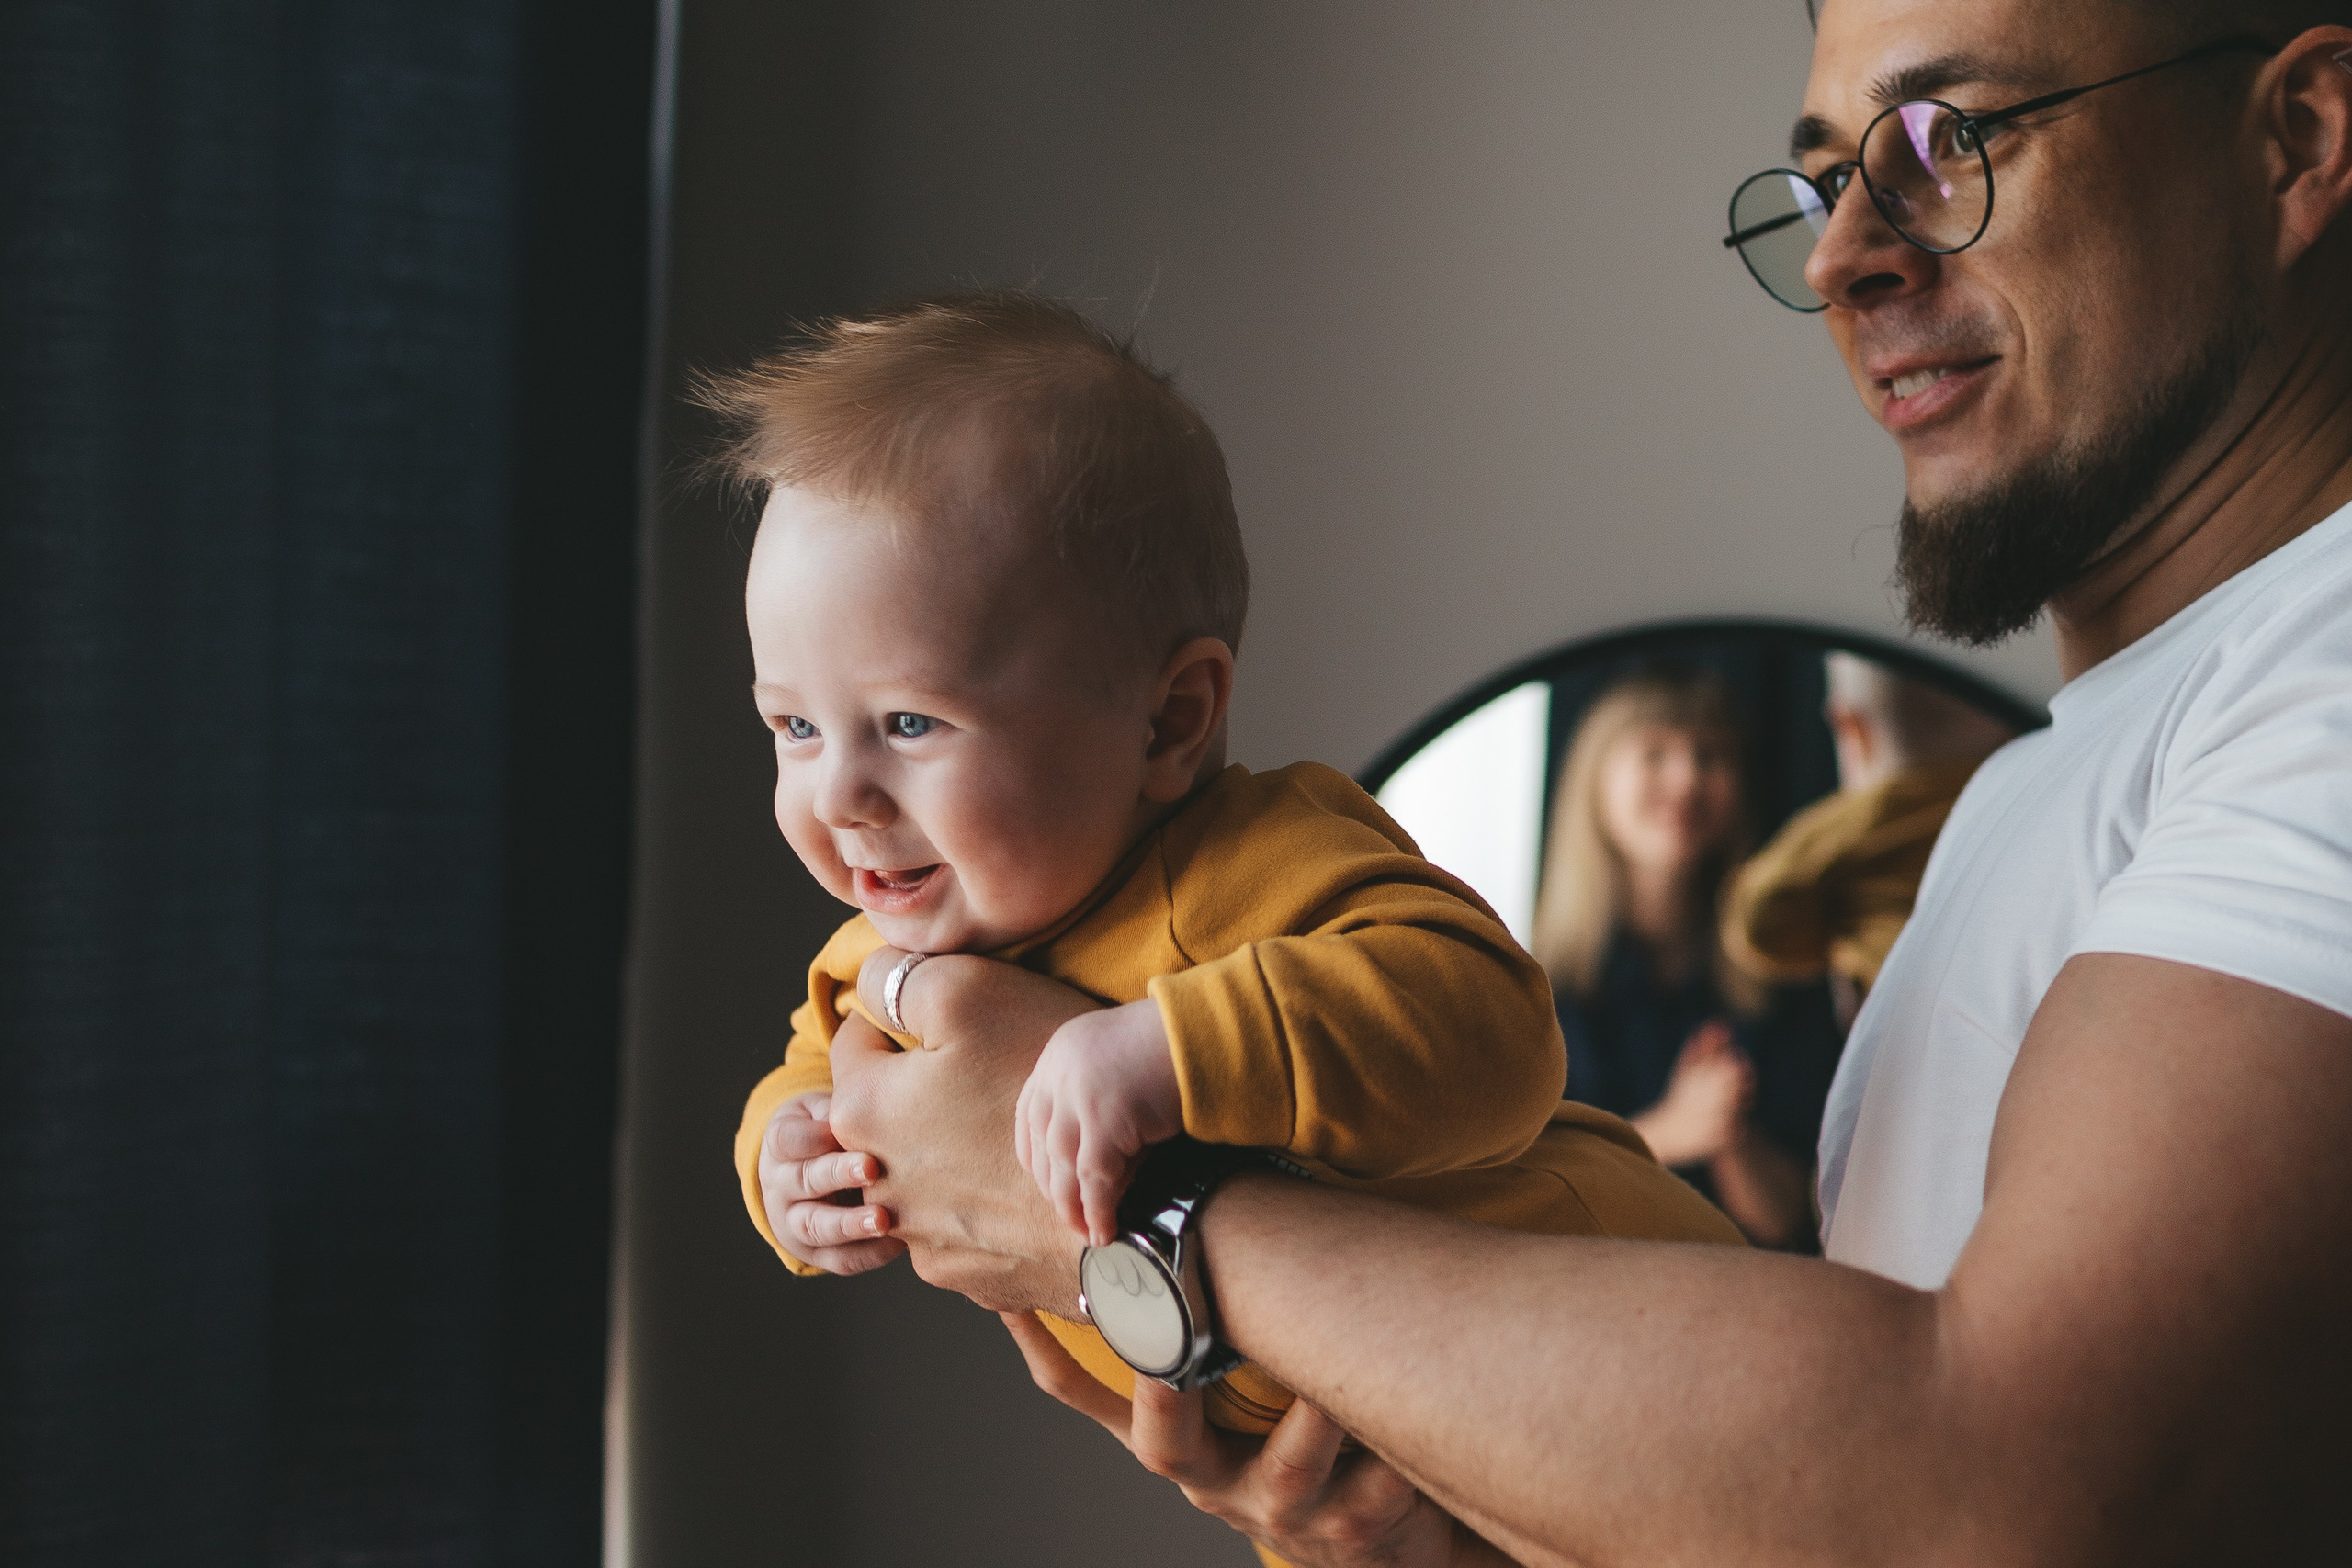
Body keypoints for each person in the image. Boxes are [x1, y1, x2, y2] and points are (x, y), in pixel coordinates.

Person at [757, 5, 2352, 1561]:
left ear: (2299, 135)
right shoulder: (2044, 790)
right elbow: (1816, 1502)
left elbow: (2008, 1491)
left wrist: (1151, 1236)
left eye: (1948, 140)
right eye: (1823, 179)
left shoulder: (2326, 693)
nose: (1838, 254)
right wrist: (1463, 1497)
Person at [716, 293, 1737, 1488]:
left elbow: (1497, 1028)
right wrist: (786, 1167)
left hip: (1621, 1344)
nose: (839, 792)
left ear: (1171, 717)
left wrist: (1165, 1049)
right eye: (791, 724)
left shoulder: (1256, 852)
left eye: (908, 720)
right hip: (1365, 1489)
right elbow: (804, 1078)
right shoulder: (873, 970)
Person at [1533, 668, 1834, 1247]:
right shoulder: (1530, 988)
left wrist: (1727, 1132)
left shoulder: (1784, 974)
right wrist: (1669, 1131)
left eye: (1709, 757)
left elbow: (1783, 1220)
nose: (1687, 779)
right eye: (1654, 754)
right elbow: (1527, 1195)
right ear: (1595, 782)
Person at [1724, 653, 2017, 1030]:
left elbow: (1756, 916)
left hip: (1908, 1035)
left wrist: (1841, 943)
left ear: (1850, 729)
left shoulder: (1869, 820)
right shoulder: (2020, 797)